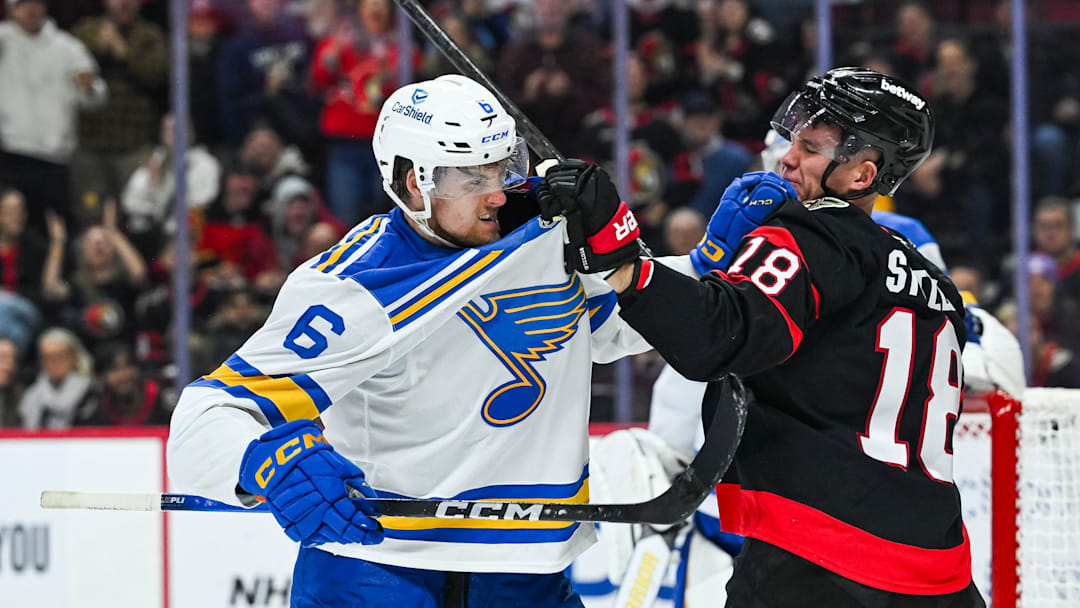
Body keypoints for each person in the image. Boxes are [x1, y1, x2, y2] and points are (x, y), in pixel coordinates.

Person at [167, 74, 651, 607]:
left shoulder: (543, 238)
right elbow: (204, 417)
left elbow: (612, 328)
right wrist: (265, 460)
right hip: (380, 577)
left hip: (526, 578)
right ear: (415, 184)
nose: (496, 192)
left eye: (501, 166)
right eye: (470, 177)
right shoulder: (358, 286)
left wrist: (712, 274)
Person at [539, 67, 984, 606]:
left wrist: (624, 261)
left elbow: (714, 337)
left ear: (863, 175)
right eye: (793, 140)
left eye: (812, 148)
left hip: (820, 562)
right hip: (941, 572)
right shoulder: (937, 284)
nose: (788, 158)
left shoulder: (809, 235)